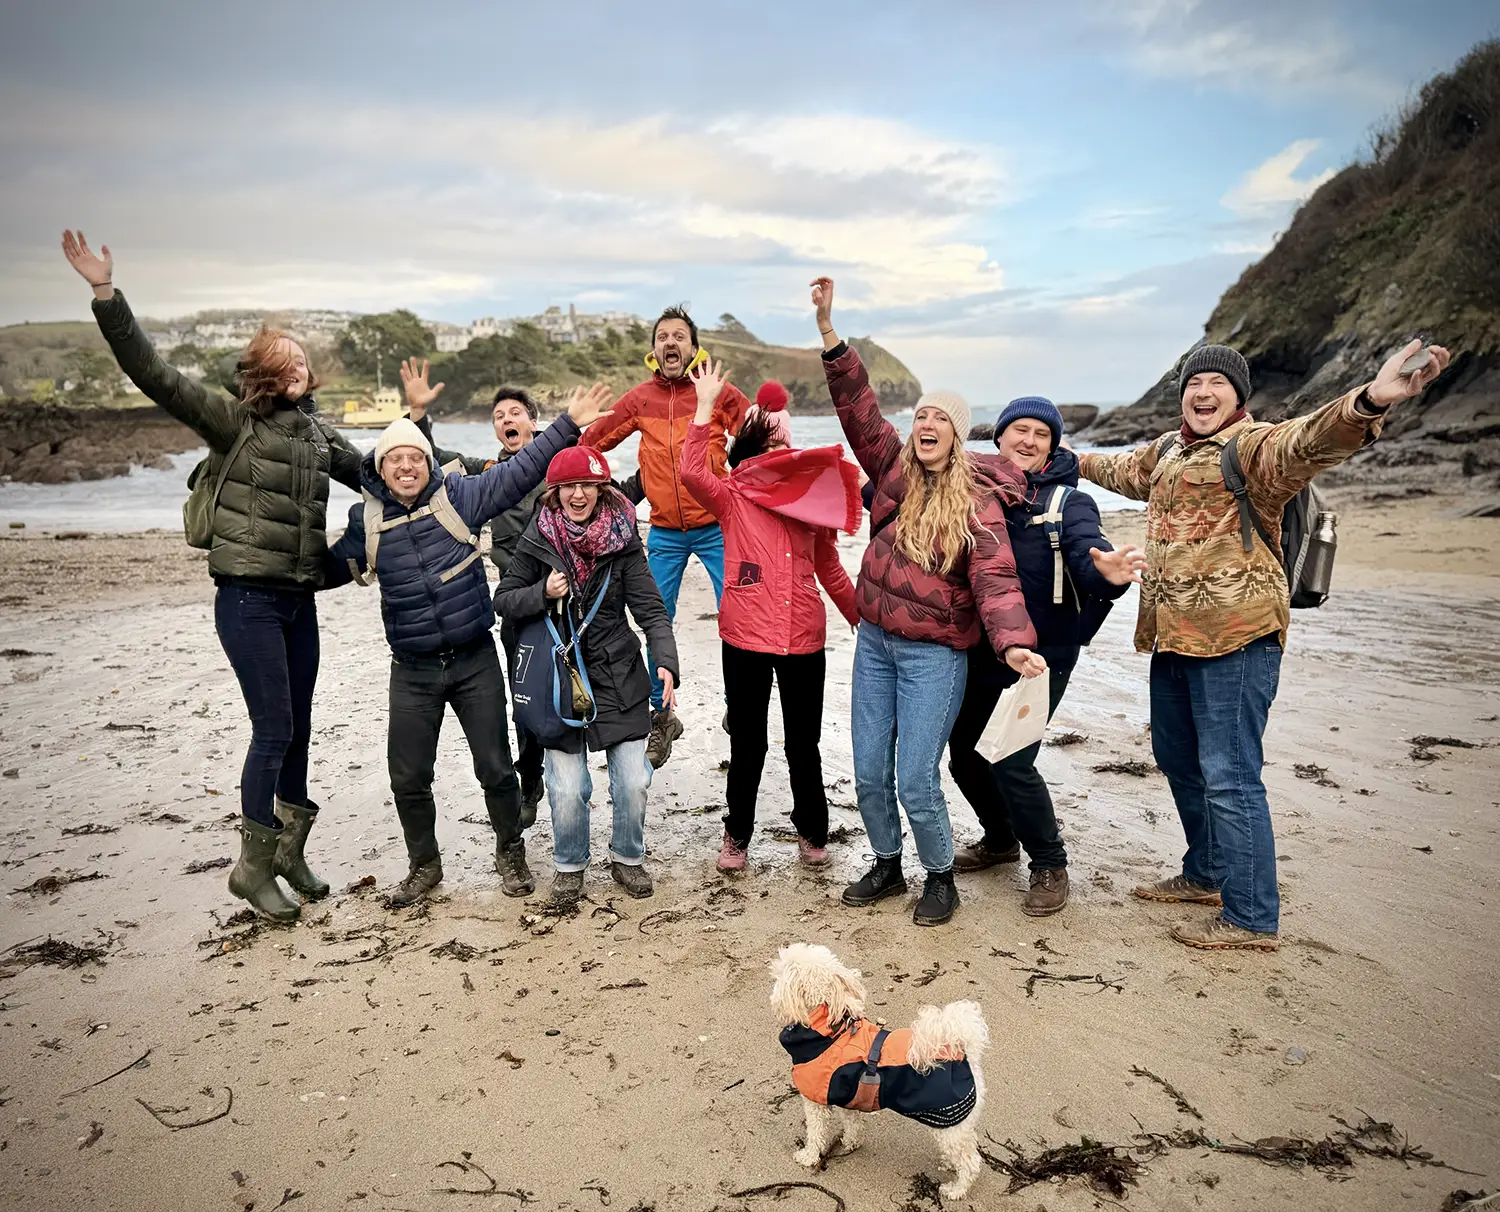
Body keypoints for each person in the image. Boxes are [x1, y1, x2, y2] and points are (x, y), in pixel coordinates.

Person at [1079, 339, 1450, 950]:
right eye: (1193, 383)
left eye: (1216, 385)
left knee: (1230, 776)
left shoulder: (1252, 450)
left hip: (1238, 639)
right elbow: (1116, 469)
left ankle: (1252, 918)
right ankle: (1207, 875)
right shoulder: (1170, 451)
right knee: (1179, 762)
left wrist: (1370, 401)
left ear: (1238, 396)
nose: (1202, 393)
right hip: (1173, 640)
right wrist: (1053, 454)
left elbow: (1309, 439)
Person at [62, 230, 364, 923]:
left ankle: (288, 851)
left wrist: (461, 465)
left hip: (298, 600)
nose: (299, 367)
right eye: (285, 360)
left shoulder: (319, 437)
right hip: (248, 598)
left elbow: (384, 471)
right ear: (263, 371)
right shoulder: (234, 424)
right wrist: (107, 295)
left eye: (303, 360)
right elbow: (156, 376)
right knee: (274, 726)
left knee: (301, 726)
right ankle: (251, 868)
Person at [811, 276, 1044, 927]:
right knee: (865, 772)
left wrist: (1015, 642)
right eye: (920, 415)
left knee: (916, 776)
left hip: (934, 659)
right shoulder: (891, 469)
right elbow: (858, 406)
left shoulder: (978, 500)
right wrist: (832, 335)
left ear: (960, 434)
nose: (926, 423)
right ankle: (887, 864)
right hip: (876, 645)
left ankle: (939, 876)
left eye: (940, 417)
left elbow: (996, 582)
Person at [324, 385, 614, 905]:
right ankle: (425, 864)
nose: (407, 466)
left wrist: (568, 424)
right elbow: (323, 570)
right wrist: (262, 576)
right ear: (381, 468)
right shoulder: (366, 523)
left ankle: (510, 852)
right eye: (396, 459)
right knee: (408, 777)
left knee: (497, 769)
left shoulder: (461, 497)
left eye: (416, 456)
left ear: (428, 463)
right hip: (410, 668)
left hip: (473, 658)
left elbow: (522, 470)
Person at [946, 397, 1145, 916]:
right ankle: (999, 838)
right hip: (983, 646)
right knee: (964, 754)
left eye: (1041, 433)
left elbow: (1086, 552)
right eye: (1020, 430)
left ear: (1054, 445)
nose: (1029, 440)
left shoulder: (1068, 503)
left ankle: (1049, 862)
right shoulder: (973, 491)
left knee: (1012, 759)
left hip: (1042, 654)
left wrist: (1106, 572)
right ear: (1000, 438)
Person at [679, 363, 862, 872]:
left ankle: (812, 833)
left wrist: (858, 614)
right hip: (745, 636)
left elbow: (828, 562)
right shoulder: (733, 496)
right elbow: (692, 473)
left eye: (784, 449)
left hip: (803, 634)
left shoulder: (812, 502)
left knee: (805, 745)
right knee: (749, 744)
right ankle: (737, 836)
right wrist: (704, 409)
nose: (777, 457)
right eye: (768, 448)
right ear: (752, 452)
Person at [494, 446, 680, 906]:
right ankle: (570, 865)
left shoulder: (624, 537)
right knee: (567, 786)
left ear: (602, 487)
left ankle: (627, 858)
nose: (578, 494)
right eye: (568, 487)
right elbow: (504, 599)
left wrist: (666, 660)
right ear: (554, 493)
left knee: (634, 780)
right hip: (561, 677)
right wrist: (542, 592)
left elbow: (651, 608)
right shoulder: (538, 537)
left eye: (587, 485)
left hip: (619, 672)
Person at [581, 307, 750, 767]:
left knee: (738, 614)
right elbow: (588, 445)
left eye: (679, 336)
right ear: (654, 351)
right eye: (662, 337)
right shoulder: (639, 400)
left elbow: (759, 440)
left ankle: (740, 709)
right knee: (655, 619)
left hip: (717, 527)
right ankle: (663, 715)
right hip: (665, 532)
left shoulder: (716, 392)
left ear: (694, 348)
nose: (670, 342)